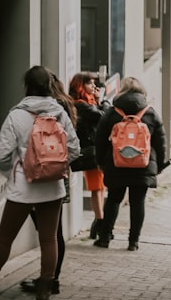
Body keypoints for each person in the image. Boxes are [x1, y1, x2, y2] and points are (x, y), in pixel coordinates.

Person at [0, 66, 80, 300]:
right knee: (48, 239)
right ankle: (45, 288)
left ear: (26, 86)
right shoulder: (60, 113)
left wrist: (16, 170)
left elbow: (1, 155)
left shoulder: (17, 115)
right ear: (49, 86)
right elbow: (74, 150)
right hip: (52, 187)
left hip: (23, 188)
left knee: (5, 237)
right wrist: (54, 167)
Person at [92, 76, 167, 251]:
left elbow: (100, 139)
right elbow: (160, 142)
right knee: (138, 202)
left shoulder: (112, 112)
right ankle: (133, 242)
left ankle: (104, 238)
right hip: (143, 164)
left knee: (113, 200)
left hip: (116, 163)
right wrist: (159, 165)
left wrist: (101, 162)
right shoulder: (150, 113)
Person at [20, 73, 76, 296]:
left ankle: (49, 280)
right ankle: (52, 279)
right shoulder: (65, 104)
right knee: (54, 232)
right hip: (59, 173)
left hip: (42, 174)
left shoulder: (50, 108)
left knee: (49, 232)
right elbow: (73, 146)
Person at [68, 71, 110, 239]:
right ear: (80, 86)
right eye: (89, 83)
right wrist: (103, 100)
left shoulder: (88, 103)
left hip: (96, 150)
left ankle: (97, 225)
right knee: (96, 187)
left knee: (100, 187)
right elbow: (103, 116)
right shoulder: (80, 105)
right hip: (90, 151)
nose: (94, 86)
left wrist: (99, 101)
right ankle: (101, 225)